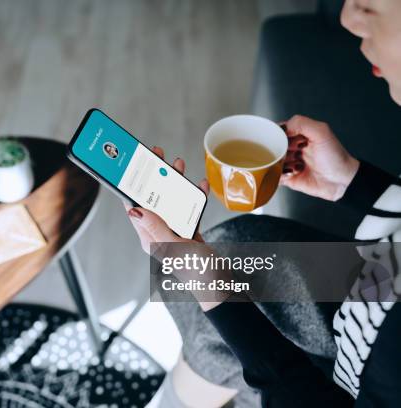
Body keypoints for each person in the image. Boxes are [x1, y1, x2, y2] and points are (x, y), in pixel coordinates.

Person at [128, 0, 401, 406]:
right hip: (373, 296)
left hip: (364, 367)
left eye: (374, 3)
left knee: (214, 309)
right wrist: (351, 181)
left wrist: (211, 288)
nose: (347, 17)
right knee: (231, 251)